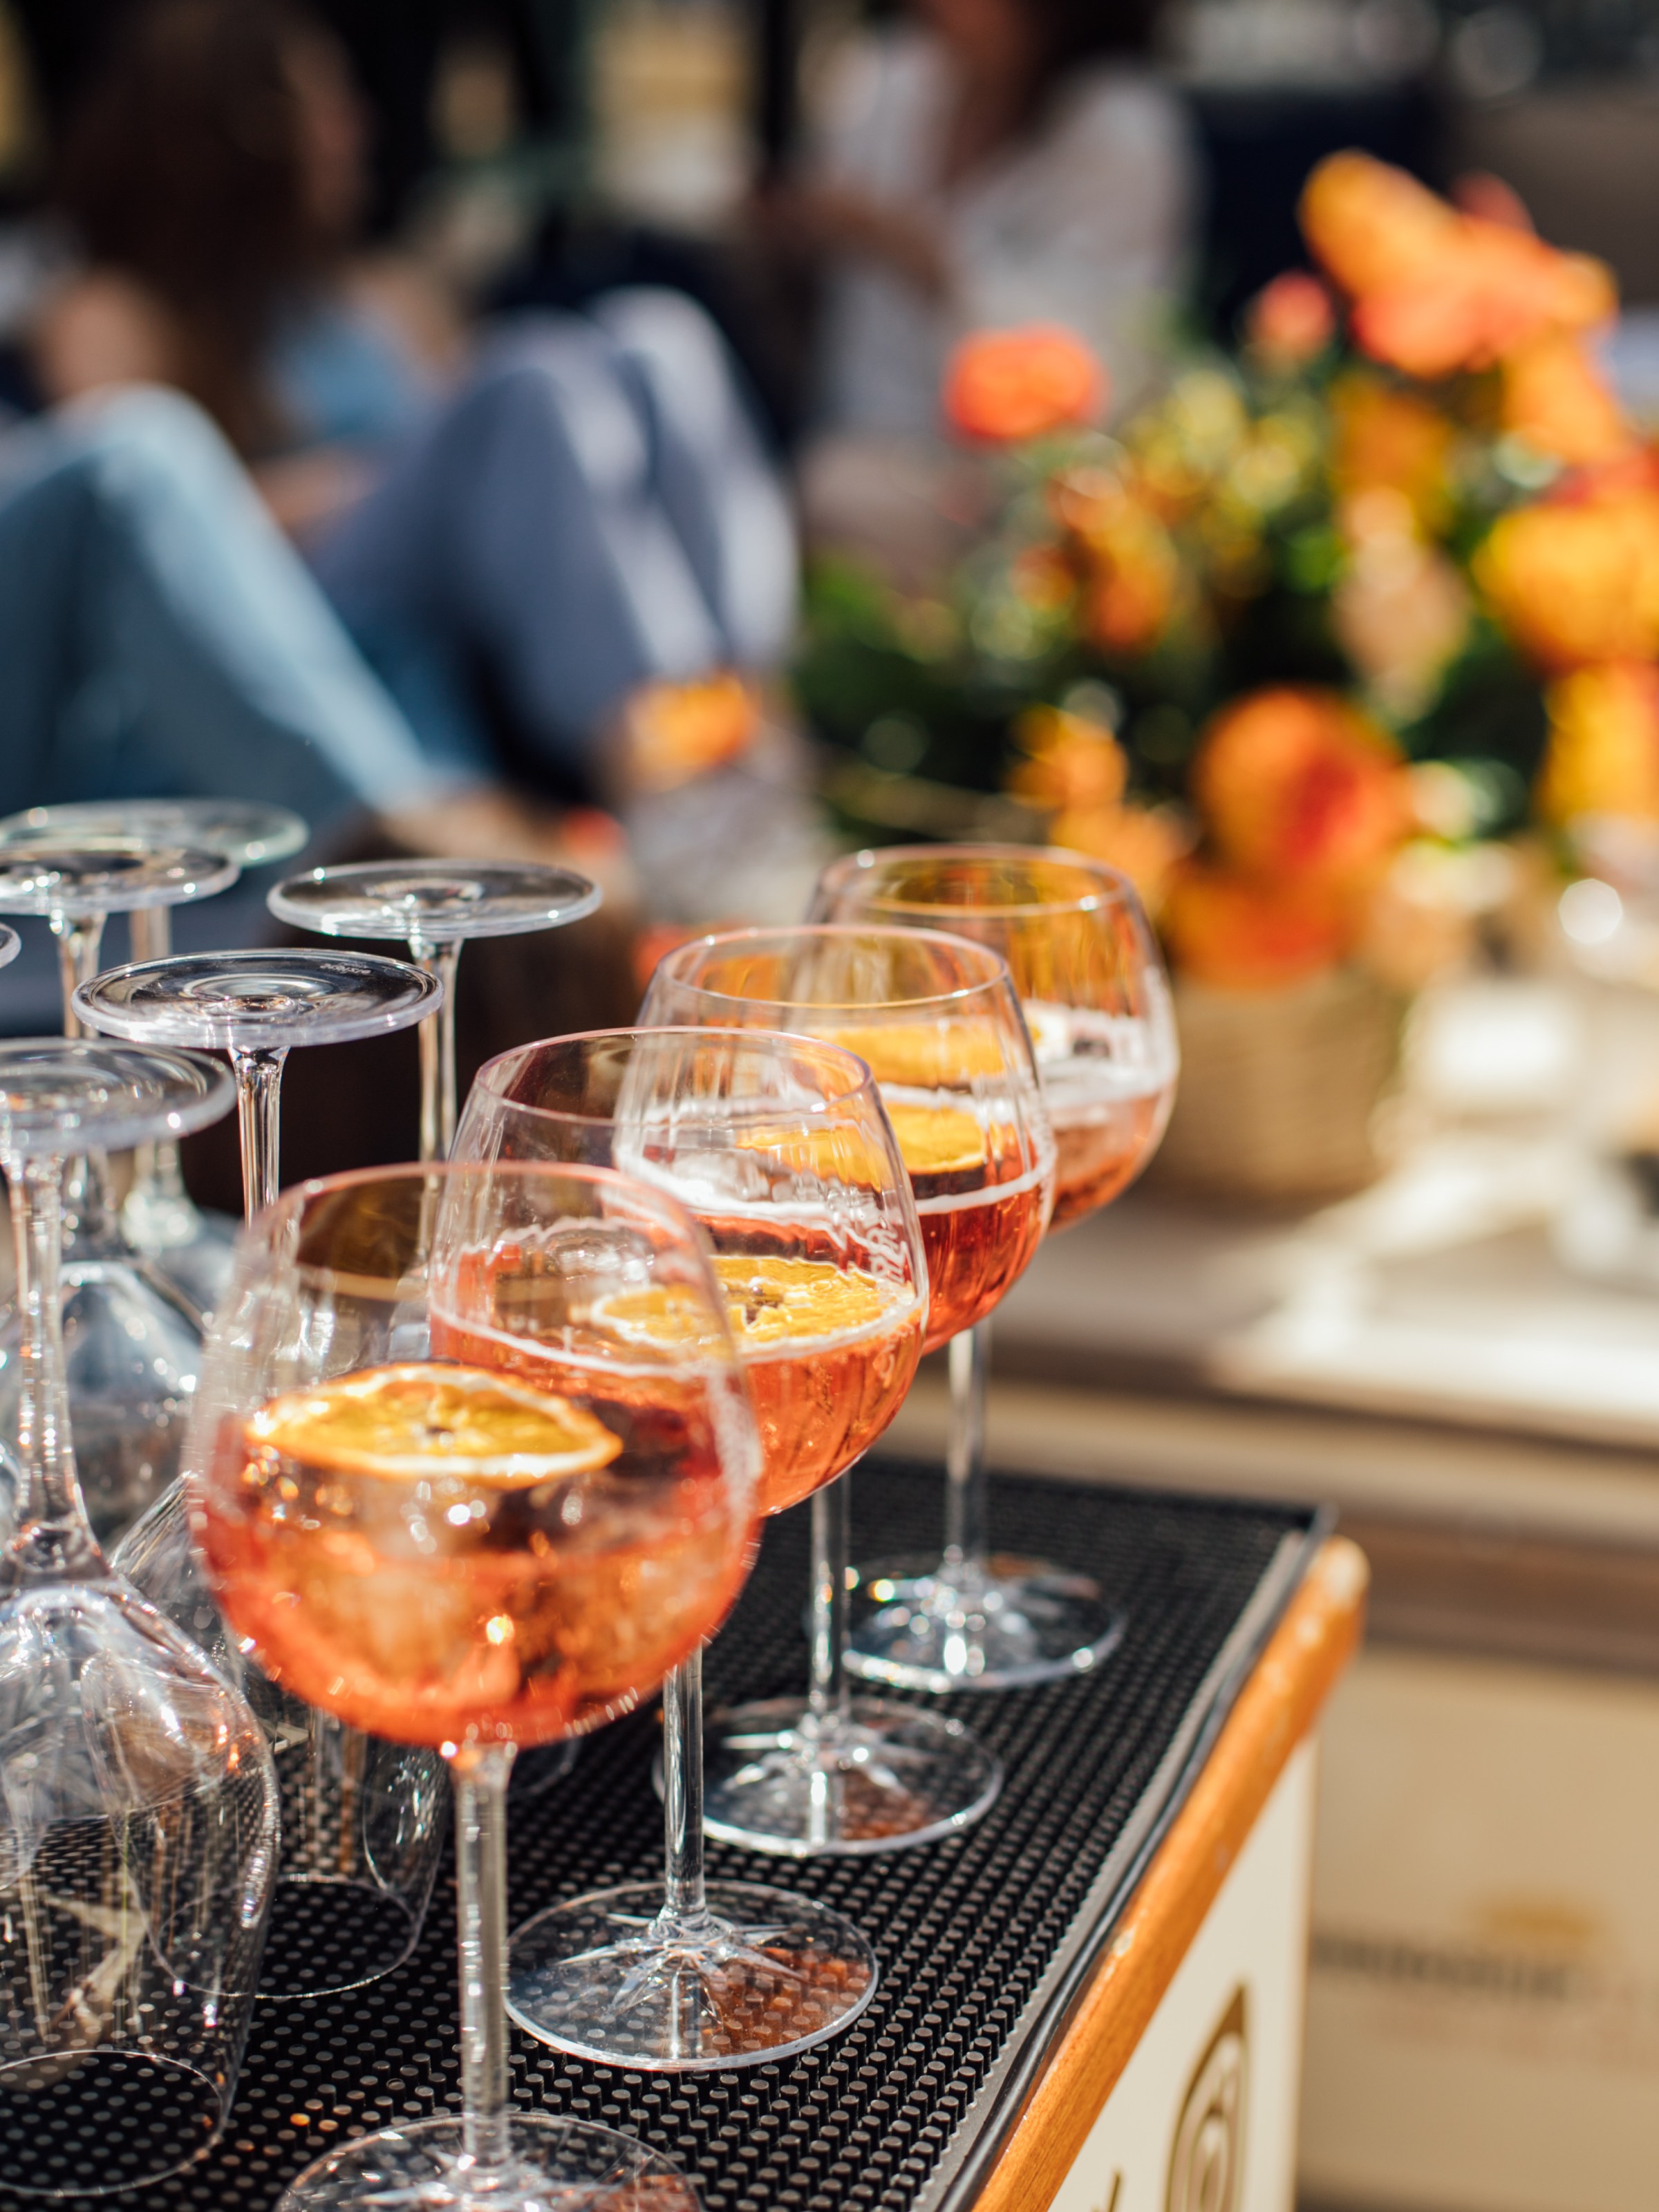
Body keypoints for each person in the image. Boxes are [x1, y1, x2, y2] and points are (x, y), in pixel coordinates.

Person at [30, 0, 799, 807]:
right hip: (297, 600)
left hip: (450, 596)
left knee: (659, 335)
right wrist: (374, 478)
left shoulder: (380, 292)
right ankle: (668, 773)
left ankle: (745, 714)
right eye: (324, 111)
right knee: (529, 379)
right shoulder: (111, 313)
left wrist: (435, 472)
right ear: (236, 139)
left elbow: (526, 481)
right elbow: (143, 539)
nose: (357, 129)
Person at [774, 0, 1199, 437]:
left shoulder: (1123, 127)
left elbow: (1102, 363)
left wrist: (924, 259)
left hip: (1020, 468)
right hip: (847, 433)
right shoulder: (887, 79)